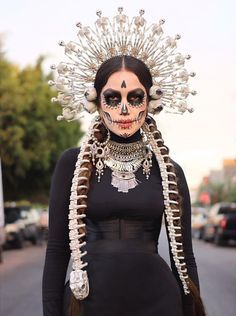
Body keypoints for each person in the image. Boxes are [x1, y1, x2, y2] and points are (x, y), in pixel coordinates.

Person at [42, 8, 206, 316]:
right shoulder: (73, 163)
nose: (125, 110)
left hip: (159, 304)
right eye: (113, 98)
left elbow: (184, 259)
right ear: (96, 100)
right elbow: (56, 252)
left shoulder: (169, 171)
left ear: (150, 100)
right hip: (87, 305)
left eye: (135, 97)